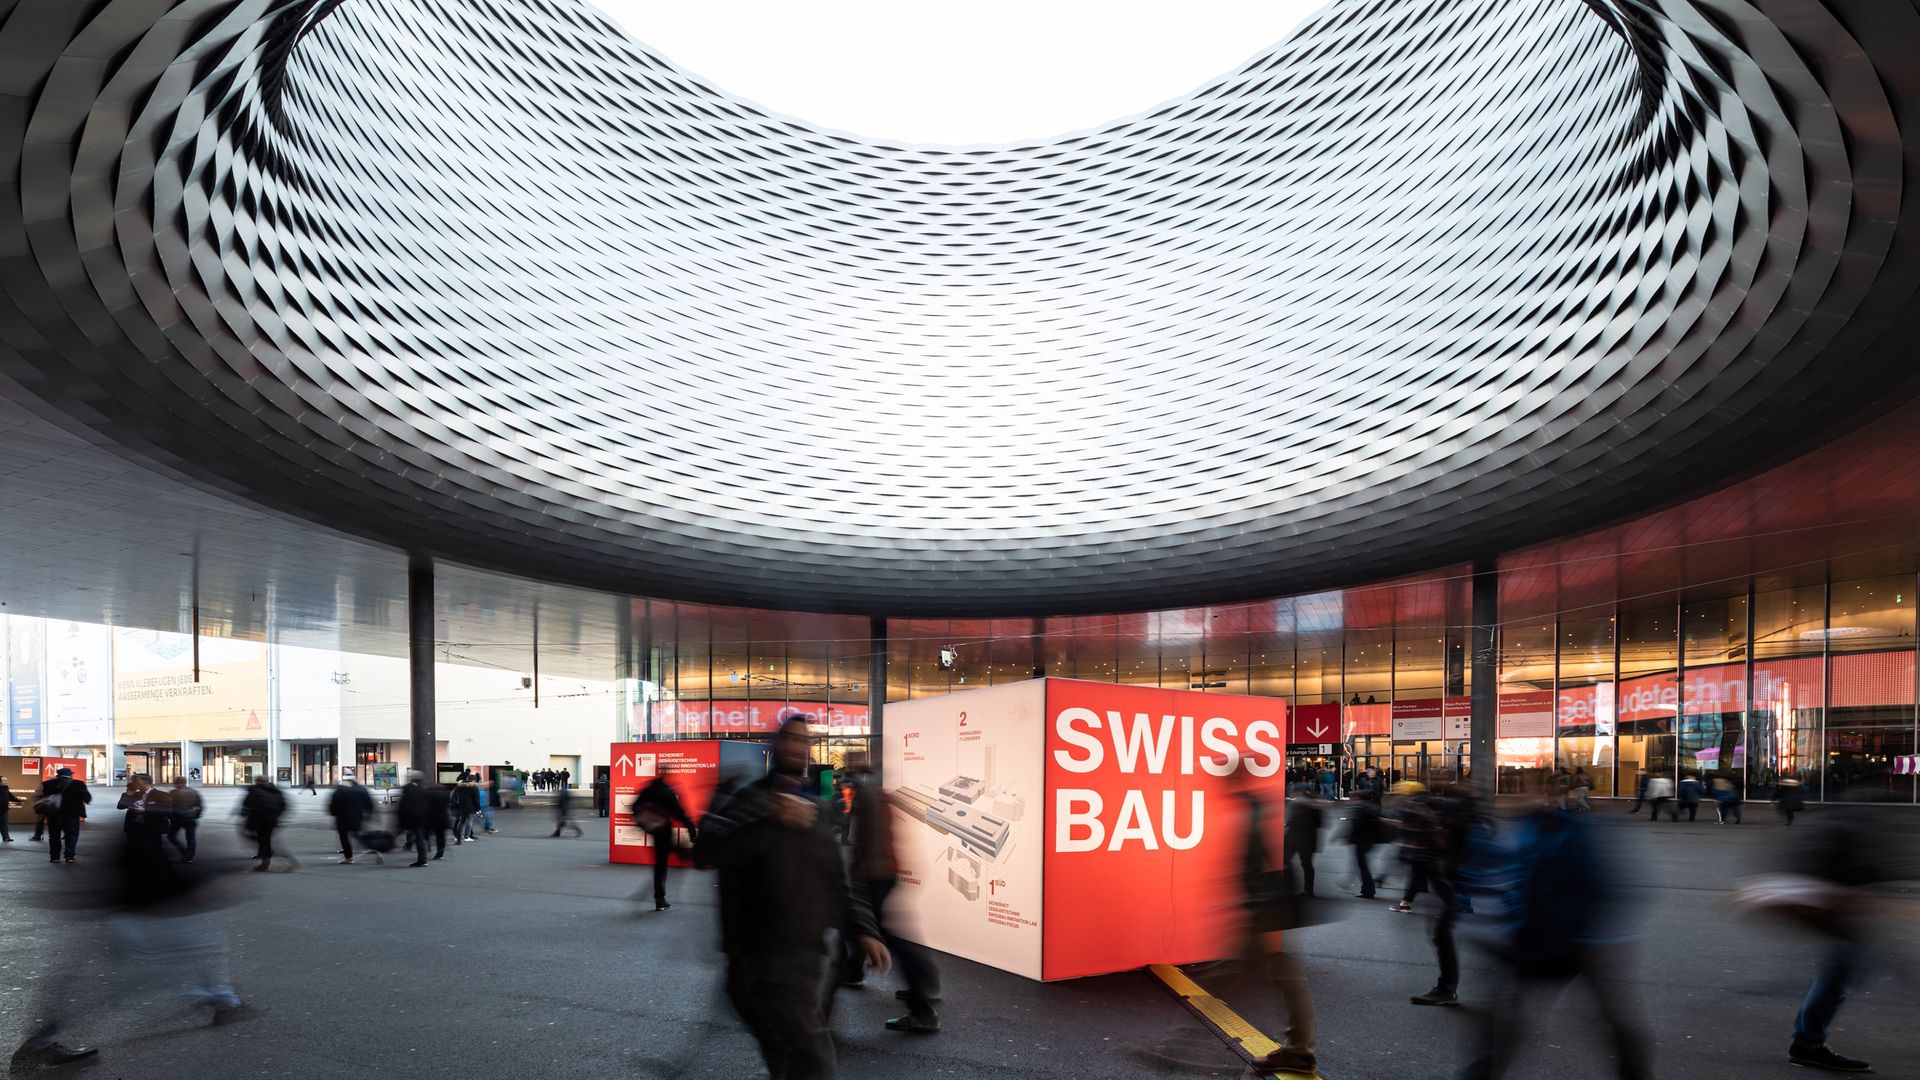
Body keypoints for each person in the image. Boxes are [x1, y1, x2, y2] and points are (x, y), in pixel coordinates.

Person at [696, 716, 889, 1079]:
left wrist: (864, 930)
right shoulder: (751, 800)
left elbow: (836, 879)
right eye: (789, 738)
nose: (796, 746)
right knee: (814, 1064)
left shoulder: (818, 808)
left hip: (808, 963)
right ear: (775, 744)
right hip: (761, 965)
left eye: (803, 740)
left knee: (787, 1062)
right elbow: (705, 852)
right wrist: (768, 813)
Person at [1450, 781, 1652, 1080]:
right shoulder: (1531, 830)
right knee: (1512, 1015)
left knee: (1600, 1016)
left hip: (1573, 942)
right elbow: (1506, 878)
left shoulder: (1564, 833)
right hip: (1555, 940)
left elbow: (1585, 886)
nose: (1509, 804)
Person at [1222, 764, 1317, 1075]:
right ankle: (1299, 1048)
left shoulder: (1253, 809)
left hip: (1266, 905)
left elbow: (1260, 861)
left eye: (1226, 774)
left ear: (1236, 775)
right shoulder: (1255, 805)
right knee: (1280, 972)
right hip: (1268, 903)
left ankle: (1299, 1049)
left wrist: (1253, 903)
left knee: (1274, 972)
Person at [841, 762, 942, 1034]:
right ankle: (857, 973)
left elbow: (865, 841)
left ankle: (922, 1007)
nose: (846, 783)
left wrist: (857, 875)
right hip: (883, 872)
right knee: (876, 931)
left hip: (874, 875)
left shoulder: (867, 797)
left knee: (884, 935)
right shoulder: (879, 795)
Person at [632, 773, 697, 911]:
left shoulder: (647, 789)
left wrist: (646, 823)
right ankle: (659, 898)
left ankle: (659, 898)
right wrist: (691, 829)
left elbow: (634, 807)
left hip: (655, 831)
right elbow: (679, 813)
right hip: (665, 832)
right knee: (668, 862)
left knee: (660, 864)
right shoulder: (667, 791)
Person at [38, 767, 91, 864]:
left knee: (54, 836)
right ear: (70, 774)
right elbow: (87, 798)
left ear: (58, 774)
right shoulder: (78, 784)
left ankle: (55, 857)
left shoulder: (47, 783)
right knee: (71, 834)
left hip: (53, 813)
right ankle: (69, 856)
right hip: (72, 814)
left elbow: (43, 797)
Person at [240, 776, 293, 872]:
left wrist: (244, 814)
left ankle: (273, 860)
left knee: (262, 841)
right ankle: (264, 856)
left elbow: (246, 805)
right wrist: (276, 816)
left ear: (257, 782)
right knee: (265, 840)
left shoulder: (254, 791)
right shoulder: (276, 791)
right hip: (272, 821)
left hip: (259, 821)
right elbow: (284, 805)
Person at [1344, 786, 1389, 899]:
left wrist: (1350, 838)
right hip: (1371, 840)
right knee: (1363, 865)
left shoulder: (1358, 807)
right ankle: (1368, 888)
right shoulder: (1372, 807)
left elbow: (1356, 825)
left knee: (1362, 865)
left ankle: (1368, 890)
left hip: (1361, 840)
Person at [1283, 784, 1322, 898]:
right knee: (1307, 864)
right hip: (1310, 838)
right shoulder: (1315, 804)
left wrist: (1288, 824)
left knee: (1285, 860)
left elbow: (1294, 821)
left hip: (1296, 837)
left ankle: (1289, 886)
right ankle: (1309, 889)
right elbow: (1319, 823)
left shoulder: (1297, 803)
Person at [328, 779, 375, 863]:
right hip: (357, 817)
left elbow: (333, 806)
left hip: (342, 818)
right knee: (356, 833)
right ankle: (370, 847)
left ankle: (348, 858)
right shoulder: (362, 790)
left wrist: (334, 814)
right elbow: (369, 804)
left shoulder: (339, 791)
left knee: (344, 837)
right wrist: (368, 815)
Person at [397, 772, 433, 867]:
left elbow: (403, 805)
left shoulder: (407, 789)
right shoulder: (422, 789)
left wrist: (401, 817)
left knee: (418, 837)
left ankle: (421, 859)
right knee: (420, 838)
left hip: (412, 817)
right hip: (422, 817)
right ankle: (422, 859)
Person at [166, 776, 203, 862]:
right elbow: (200, 806)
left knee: (171, 836)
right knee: (190, 837)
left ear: (176, 783)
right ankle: (190, 854)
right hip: (190, 818)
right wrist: (196, 816)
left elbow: (168, 806)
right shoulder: (194, 792)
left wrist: (169, 816)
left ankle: (184, 852)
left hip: (177, 818)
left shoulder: (172, 793)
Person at [0, 773, 21, 842]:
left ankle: (6, 837)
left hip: (4, 810)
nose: (6, 781)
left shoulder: (6, 788)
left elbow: (11, 796)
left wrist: (18, 800)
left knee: (4, 824)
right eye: (4, 780)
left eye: (7, 780)